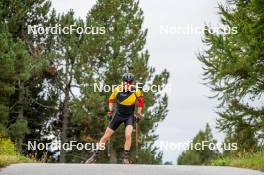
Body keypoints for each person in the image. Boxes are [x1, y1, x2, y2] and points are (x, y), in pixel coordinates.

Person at [85, 73, 144, 164]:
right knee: (106, 136)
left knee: (128, 135)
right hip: (118, 116)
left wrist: (138, 114)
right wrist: (110, 111)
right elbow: (111, 100)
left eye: (130, 82)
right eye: (126, 81)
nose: (127, 83)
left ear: (132, 82)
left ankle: (125, 158)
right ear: (123, 82)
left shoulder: (136, 91)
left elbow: (140, 102)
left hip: (129, 116)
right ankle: (94, 156)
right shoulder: (117, 89)